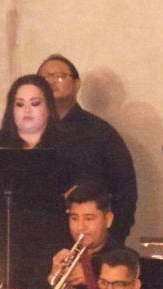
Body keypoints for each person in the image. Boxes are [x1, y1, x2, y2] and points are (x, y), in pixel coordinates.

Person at [0, 74, 72, 288]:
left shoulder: (69, 150)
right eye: (20, 104)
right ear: (11, 110)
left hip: (47, 244)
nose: (27, 110)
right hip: (0, 241)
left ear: (48, 108)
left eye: (35, 103)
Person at [38, 54, 138, 244]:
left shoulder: (101, 133)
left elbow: (125, 190)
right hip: (36, 240)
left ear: (77, 85)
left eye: (59, 76)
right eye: (44, 78)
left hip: (88, 242)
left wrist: (113, 238)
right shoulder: (26, 132)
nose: (50, 82)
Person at [37, 181, 119, 289]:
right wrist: (52, 279)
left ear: (108, 220)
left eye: (89, 218)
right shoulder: (52, 253)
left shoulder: (123, 258)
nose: (80, 227)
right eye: (74, 218)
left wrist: (91, 280)